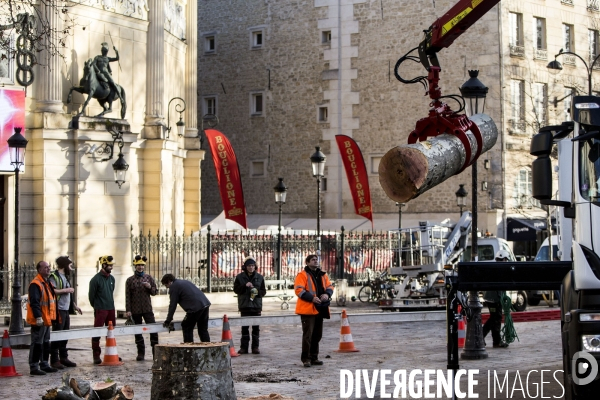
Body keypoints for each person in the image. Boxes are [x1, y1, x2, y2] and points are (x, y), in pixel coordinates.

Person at [294, 254, 334, 367]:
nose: (316, 261)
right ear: (307, 262)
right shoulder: (302, 275)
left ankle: (314, 357)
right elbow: (299, 290)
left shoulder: (323, 275)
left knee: (317, 335)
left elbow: (330, 287)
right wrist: (311, 298)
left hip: (320, 308)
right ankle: (306, 358)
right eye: (313, 260)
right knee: (308, 335)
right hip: (307, 310)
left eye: (317, 259)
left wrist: (327, 294)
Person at [48, 256, 82, 369]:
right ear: (64, 265)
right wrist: (66, 290)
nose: (71, 268)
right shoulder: (54, 277)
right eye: (70, 265)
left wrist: (75, 306)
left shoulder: (65, 277)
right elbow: (52, 290)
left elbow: (68, 296)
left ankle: (64, 357)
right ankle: (54, 360)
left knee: (65, 334)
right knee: (58, 334)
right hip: (59, 310)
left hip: (66, 309)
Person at [26, 261, 58, 375]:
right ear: (39, 270)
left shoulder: (46, 283)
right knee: (37, 343)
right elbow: (35, 302)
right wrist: (38, 317)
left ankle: (44, 364)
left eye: (49, 267)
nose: (48, 269)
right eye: (45, 268)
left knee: (45, 343)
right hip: (39, 320)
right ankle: (34, 366)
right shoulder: (36, 283)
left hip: (46, 320)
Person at [125, 255, 158, 361]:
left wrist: (150, 287)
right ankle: (141, 353)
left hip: (147, 308)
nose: (140, 267)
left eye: (142, 265)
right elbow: (127, 296)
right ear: (135, 266)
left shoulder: (149, 278)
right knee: (138, 331)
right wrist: (128, 310)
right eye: (138, 265)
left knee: (153, 329)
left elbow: (155, 292)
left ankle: (155, 352)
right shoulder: (130, 280)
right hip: (135, 310)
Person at [161, 273, 211, 343]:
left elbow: (172, 305)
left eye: (166, 285)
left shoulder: (174, 287)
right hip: (205, 304)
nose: (167, 288)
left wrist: (168, 320)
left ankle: (188, 349)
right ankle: (207, 348)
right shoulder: (183, 282)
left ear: (169, 281)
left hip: (194, 308)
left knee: (186, 326)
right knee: (203, 329)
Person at [233, 257, 267, 354]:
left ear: (255, 266)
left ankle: (255, 347)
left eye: (252, 266)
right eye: (249, 266)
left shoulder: (260, 277)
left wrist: (257, 291)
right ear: (245, 267)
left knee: (256, 328)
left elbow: (263, 291)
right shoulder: (240, 277)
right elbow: (236, 290)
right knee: (244, 328)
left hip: (256, 306)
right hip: (244, 306)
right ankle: (244, 347)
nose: (251, 267)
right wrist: (244, 286)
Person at [89, 255, 117, 364]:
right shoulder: (95, 280)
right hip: (100, 309)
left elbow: (111, 291)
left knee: (111, 332)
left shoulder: (112, 278)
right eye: (109, 265)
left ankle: (112, 353)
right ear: (104, 265)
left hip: (111, 308)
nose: (111, 267)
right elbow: (91, 296)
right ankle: (96, 355)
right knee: (97, 332)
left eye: (112, 265)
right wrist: (97, 306)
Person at [482, 249, 510, 348]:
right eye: (506, 260)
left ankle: (496, 341)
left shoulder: (494, 268)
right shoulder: (499, 269)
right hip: (494, 299)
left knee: (495, 318)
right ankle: (481, 337)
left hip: (490, 298)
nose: (506, 262)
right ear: (503, 259)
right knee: (495, 318)